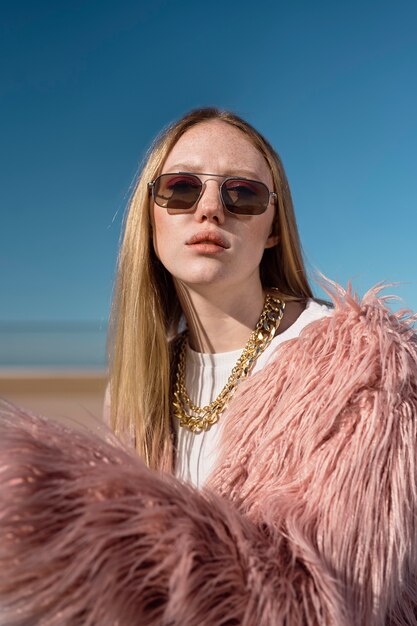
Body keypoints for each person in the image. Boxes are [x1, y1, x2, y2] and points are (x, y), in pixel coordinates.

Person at [0, 108, 416, 626]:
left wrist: (65, 516)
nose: (211, 209)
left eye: (243, 194)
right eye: (180, 189)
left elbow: (327, 602)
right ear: (148, 217)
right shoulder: (137, 388)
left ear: (272, 230)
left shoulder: (363, 369)